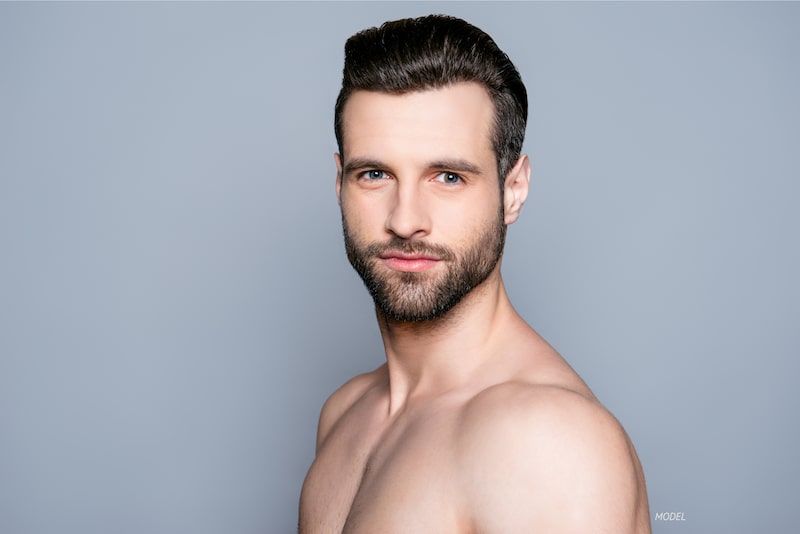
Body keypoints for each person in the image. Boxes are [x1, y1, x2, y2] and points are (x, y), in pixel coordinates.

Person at [299, 14, 650, 533]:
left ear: (513, 190)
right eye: (375, 174)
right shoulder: (343, 414)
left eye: (448, 177)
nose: (405, 220)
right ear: (339, 183)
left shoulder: (550, 443)